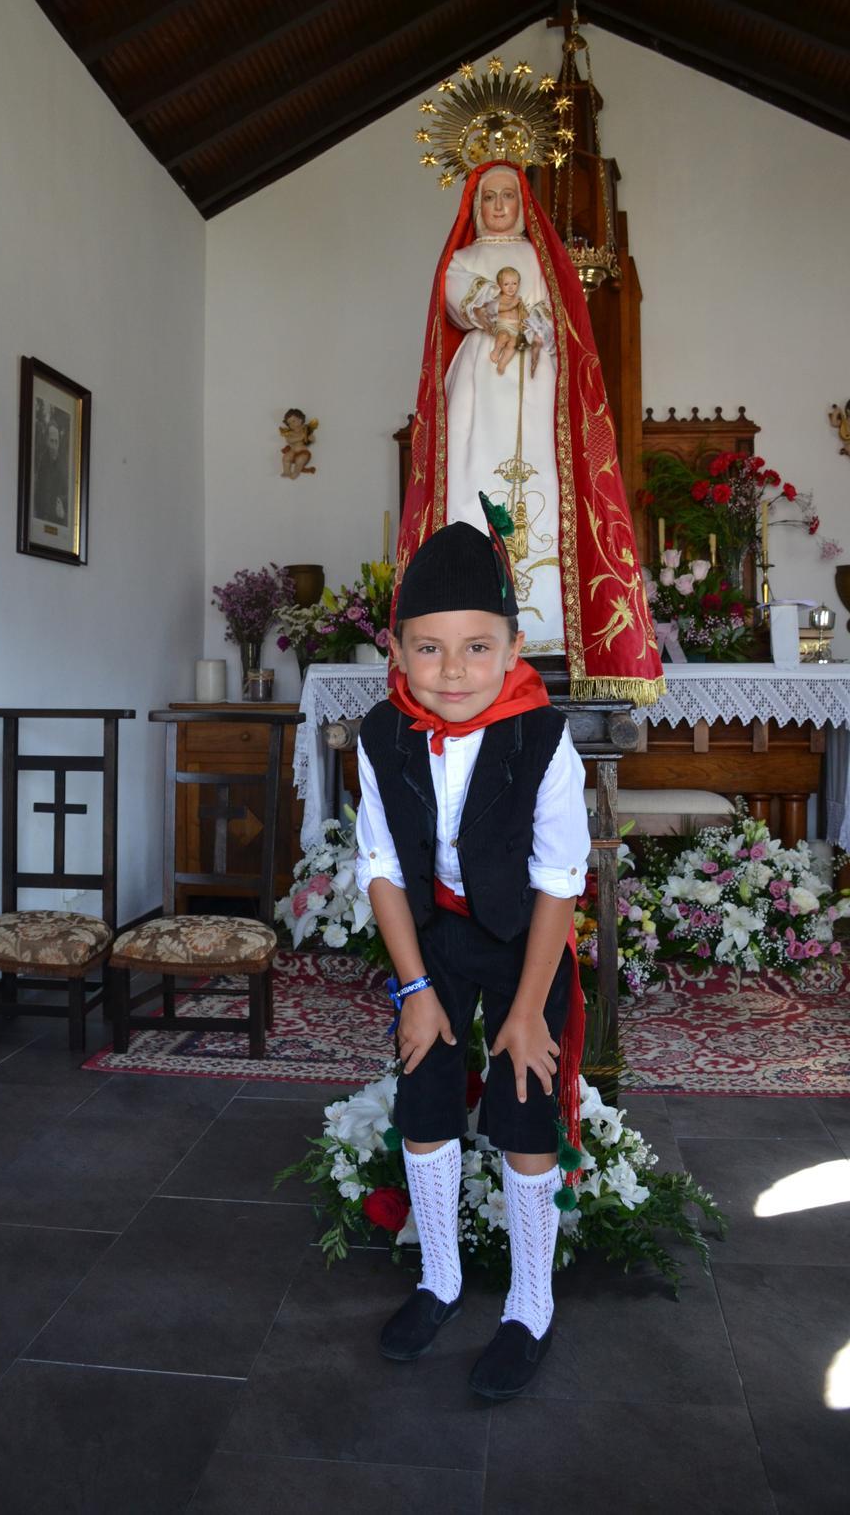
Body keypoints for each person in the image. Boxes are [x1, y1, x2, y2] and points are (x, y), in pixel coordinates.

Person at [355, 496, 589, 1400]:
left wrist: (528, 1011)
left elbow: (559, 881)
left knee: (524, 1102)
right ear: (399, 649)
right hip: (434, 934)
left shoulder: (544, 737)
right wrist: (415, 989)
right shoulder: (381, 734)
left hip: (525, 936)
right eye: (428, 647)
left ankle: (531, 1304)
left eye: (477, 646)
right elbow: (381, 864)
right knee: (425, 1093)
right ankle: (440, 1279)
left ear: (512, 646)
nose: (452, 671)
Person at [398, 160, 664, 704]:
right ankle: (467, 621)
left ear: (523, 204)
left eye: (508, 197)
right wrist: (496, 310)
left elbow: (561, 313)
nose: (499, 207)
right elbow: (456, 298)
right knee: (473, 478)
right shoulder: (464, 259)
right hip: (478, 380)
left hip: (537, 381)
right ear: (475, 206)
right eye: (490, 198)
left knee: (545, 480)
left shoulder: (545, 258)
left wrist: (533, 320)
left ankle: (550, 627)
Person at [34, 418, 69, 525]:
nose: (54, 446)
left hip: (58, 524)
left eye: (56, 442)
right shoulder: (41, 463)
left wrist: (63, 513)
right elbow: (37, 494)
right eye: (51, 441)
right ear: (47, 441)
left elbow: (70, 497)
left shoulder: (65, 466)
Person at [279, 408, 317, 478]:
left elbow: (312, 438)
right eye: (289, 423)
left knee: (300, 460)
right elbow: (289, 440)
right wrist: (300, 438)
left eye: (293, 421)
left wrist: (311, 438)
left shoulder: (305, 430)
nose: (291, 424)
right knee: (285, 458)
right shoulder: (290, 433)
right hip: (292, 451)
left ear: (300, 420)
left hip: (303, 451)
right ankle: (286, 471)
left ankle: (296, 472)